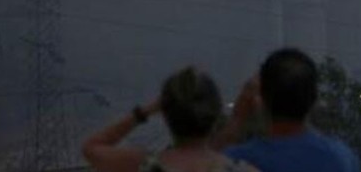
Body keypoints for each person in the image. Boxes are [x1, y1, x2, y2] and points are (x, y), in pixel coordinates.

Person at [82, 67, 257, 172]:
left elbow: (92, 148)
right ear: (216, 114)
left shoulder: (145, 165)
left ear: (165, 114)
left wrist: (143, 112)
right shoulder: (242, 170)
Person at [216, 48, 361, 172]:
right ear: (313, 99)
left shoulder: (238, 161)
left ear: (262, 99)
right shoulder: (341, 159)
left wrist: (237, 119)